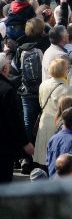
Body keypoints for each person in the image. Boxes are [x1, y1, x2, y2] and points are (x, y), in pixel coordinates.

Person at [0, 52, 32, 182]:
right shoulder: (7, 90)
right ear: (5, 69)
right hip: (3, 146)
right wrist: (25, 143)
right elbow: (14, 120)